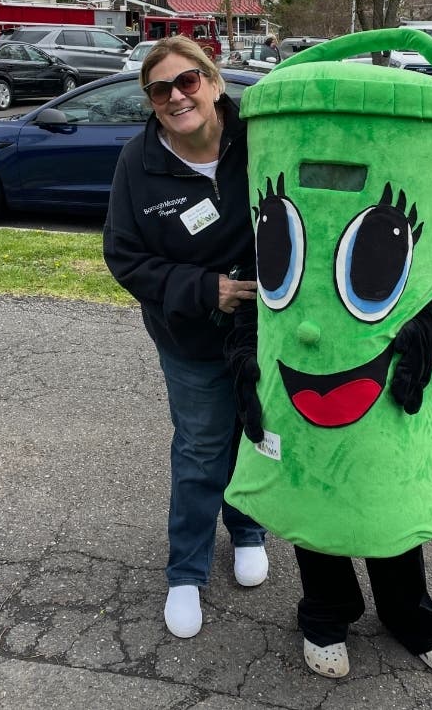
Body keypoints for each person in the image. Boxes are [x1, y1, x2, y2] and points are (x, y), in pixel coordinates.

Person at [223, 28, 432, 678]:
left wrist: (422, 341)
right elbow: (259, 279)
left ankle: (411, 614)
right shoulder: (265, 209)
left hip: (391, 392)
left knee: (386, 505)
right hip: (298, 394)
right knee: (315, 506)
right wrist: (246, 362)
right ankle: (325, 612)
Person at [103, 35, 268, 639]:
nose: (176, 97)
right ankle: (186, 572)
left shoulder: (260, 137)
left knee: (255, 432)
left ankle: (248, 529)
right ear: (150, 101)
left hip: (264, 331)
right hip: (190, 337)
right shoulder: (138, 163)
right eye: (160, 89)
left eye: (187, 81)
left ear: (214, 82)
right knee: (201, 450)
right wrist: (208, 290)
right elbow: (123, 258)